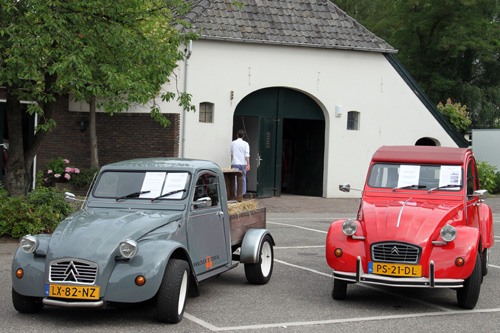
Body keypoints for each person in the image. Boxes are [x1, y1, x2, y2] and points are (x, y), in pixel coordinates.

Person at [231, 130, 250, 195]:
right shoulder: (246, 144)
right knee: (243, 178)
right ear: (243, 136)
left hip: (235, 162)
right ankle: (242, 193)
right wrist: (248, 164)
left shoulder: (233, 143)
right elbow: (247, 155)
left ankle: (236, 193)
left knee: (235, 178)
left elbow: (232, 154)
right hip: (243, 163)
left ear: (237, 135)